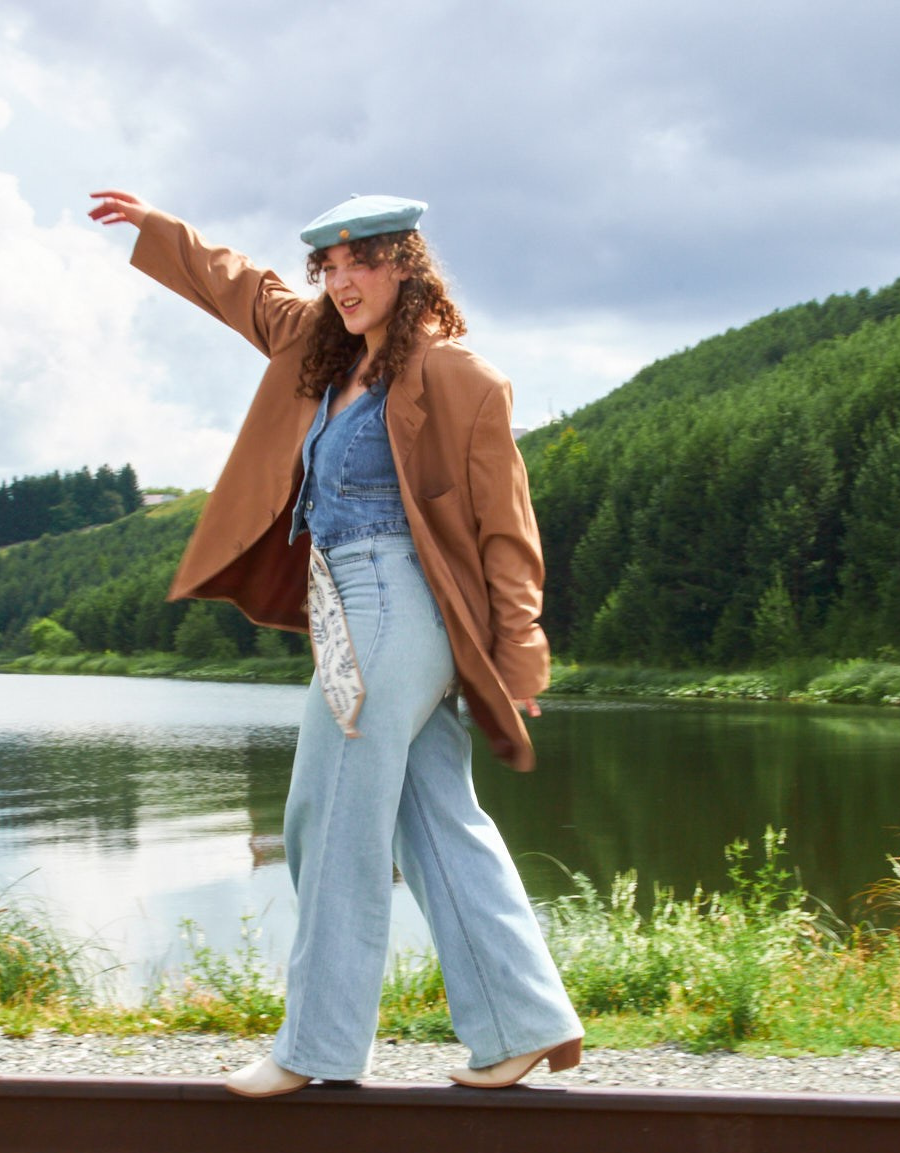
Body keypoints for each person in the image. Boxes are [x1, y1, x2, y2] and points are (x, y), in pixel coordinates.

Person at [88, 189, 584, 1096]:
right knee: (436, 820)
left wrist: (520, 651)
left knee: (328, 817)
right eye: (331, 266)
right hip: (347, 606)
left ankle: (316, 1047)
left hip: (400, 606)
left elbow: (507, 527)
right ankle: (523, 1023)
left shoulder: (458, 376)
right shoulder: (320, 350)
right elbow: (242, 289)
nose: (343, 281)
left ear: (408, 265)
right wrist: (160, 230)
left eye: (363, 262)